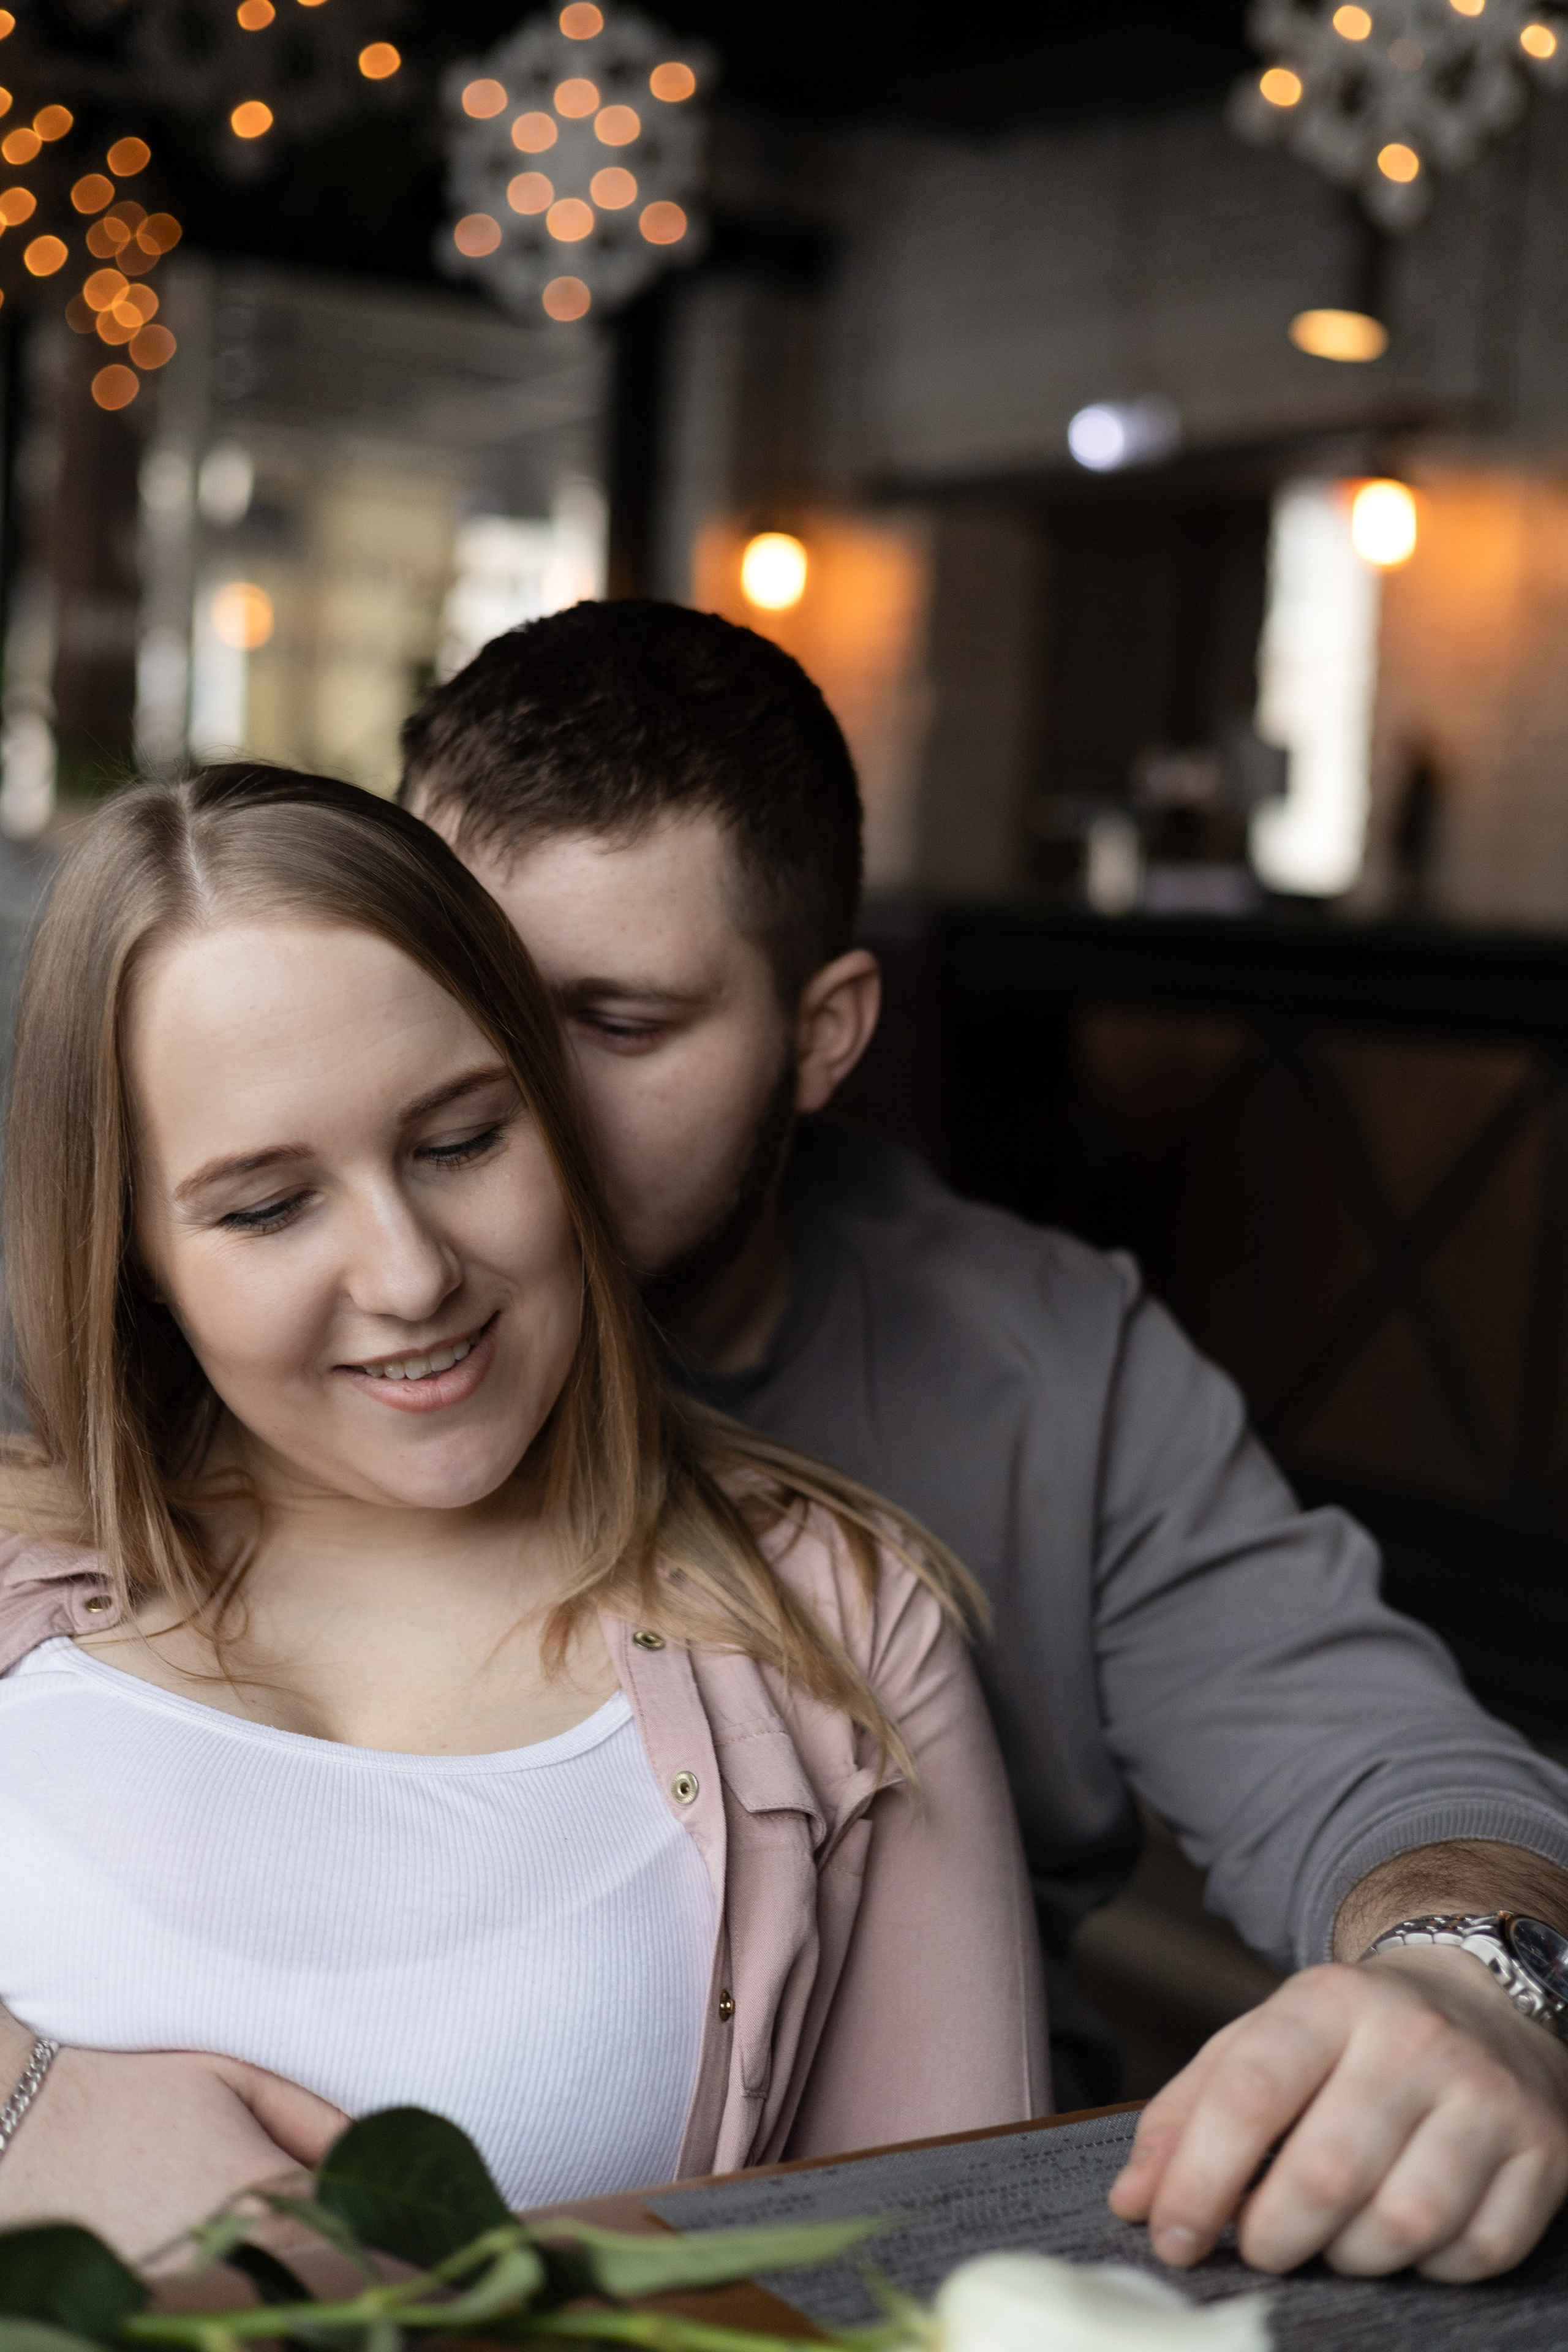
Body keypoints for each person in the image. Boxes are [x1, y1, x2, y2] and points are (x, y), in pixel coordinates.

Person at [400, 599, 1568, 2286]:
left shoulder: (1048, 1369)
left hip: (947, 2258)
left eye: (620, 1024)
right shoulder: (198, 1330)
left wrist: (1475, 1985)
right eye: (459, 994)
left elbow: (1376, 1759)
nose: (504, 1099)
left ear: (824, 1035)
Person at [0, 764, 1047, 2260]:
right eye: (267, 1206)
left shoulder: (837, 1633)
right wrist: (31, 2101)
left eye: (459, 1142)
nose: (410, 1274)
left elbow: (946, 2275)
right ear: (130, 1252)